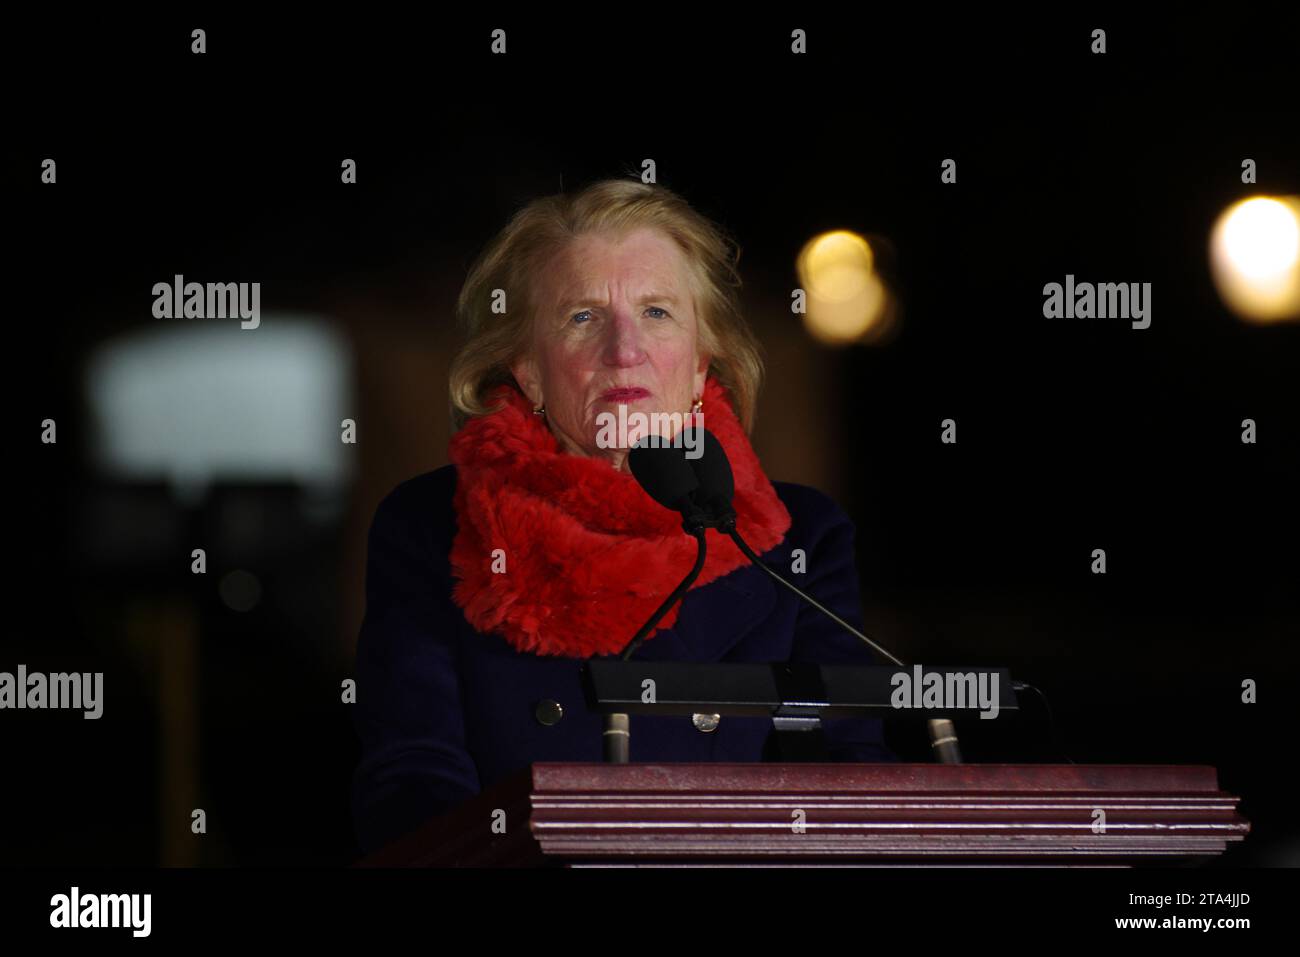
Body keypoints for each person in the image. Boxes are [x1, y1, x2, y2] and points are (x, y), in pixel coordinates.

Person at [350, 178, 897, 857]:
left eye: (658, 312)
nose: (624, 349)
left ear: (700, 364)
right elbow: (413, 782)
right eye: (581, 316)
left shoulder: (799, 538)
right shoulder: (432, 525)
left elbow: (844, 787)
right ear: (526, 370)